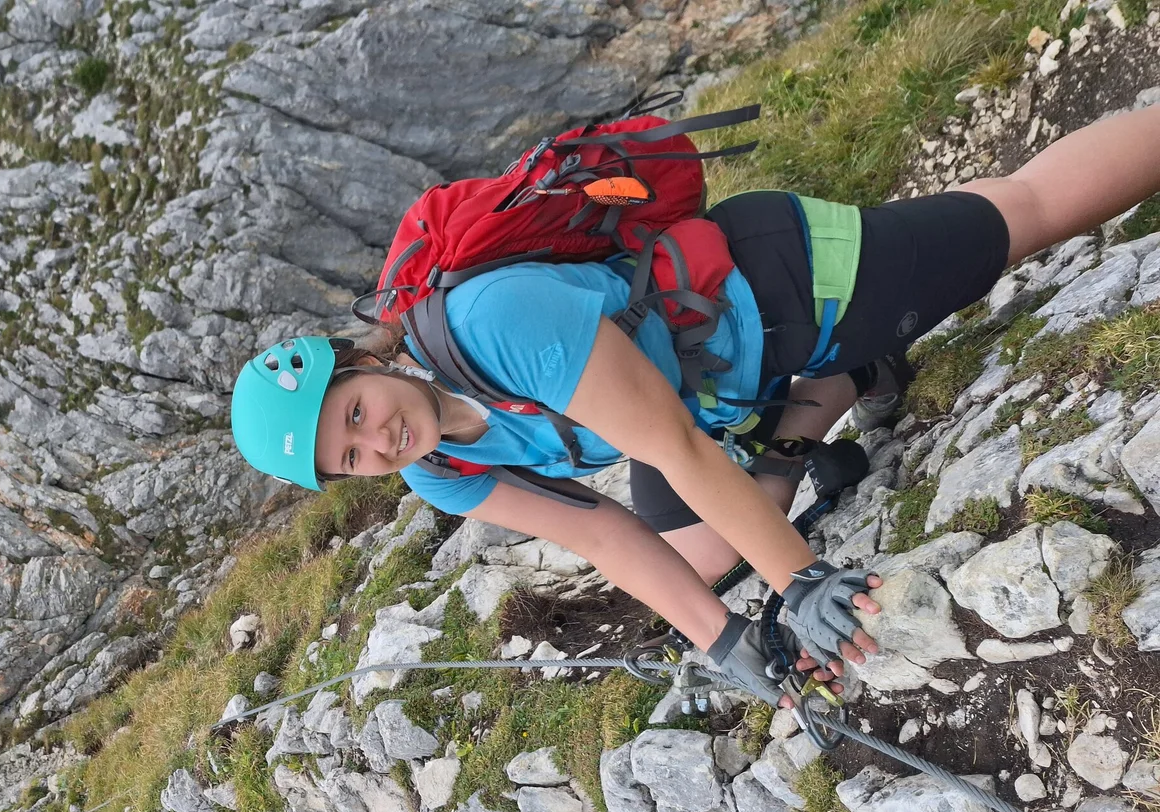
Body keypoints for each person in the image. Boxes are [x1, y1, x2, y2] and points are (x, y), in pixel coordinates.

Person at [230, 104, 1160, 704]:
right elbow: (602, 535)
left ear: (357, 363)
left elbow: (671, 446)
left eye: (353, 413)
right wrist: (721, 642)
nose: (377, 442)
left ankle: (846, 360)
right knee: (700, 561)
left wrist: (800, 581)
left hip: (785, 285)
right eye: (349, 458)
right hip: (717, 381)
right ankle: (831, 399)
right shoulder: (443, 468)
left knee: (1024, 213)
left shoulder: (490, 324)